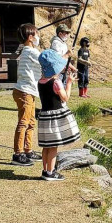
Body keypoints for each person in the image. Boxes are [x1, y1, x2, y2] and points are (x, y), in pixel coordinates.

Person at [37, 49, 81, 181]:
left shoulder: (40, 81)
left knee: (46, 146)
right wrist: (69, 82)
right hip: (55, 118)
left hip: (44, 117)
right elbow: (65, 98)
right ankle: (50, 173)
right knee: (53, 147)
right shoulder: (56, 83)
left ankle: (45, 170)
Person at [11, 23, 42, 167]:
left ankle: (28, 150)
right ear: (30, 37)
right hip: (25, 92)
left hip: (29, 91)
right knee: (24, 122)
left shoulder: (28, 51)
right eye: (37, 34)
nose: (38, 37)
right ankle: (18, 154)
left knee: (31, 122)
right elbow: (46, 59)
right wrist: (66, 55)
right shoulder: (30, 51)